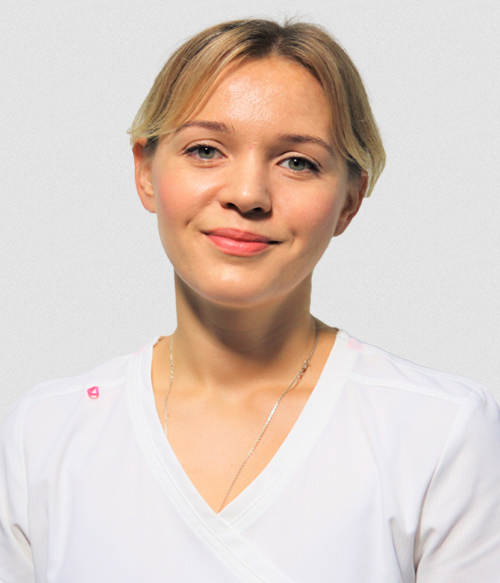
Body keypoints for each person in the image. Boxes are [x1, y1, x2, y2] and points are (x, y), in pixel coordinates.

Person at [1, 18, 499, 583]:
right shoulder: (42, 434)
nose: (247, 195)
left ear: (349, 201)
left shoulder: (440, 430)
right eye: (205, 150)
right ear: (145, 172)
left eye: (298, 162)